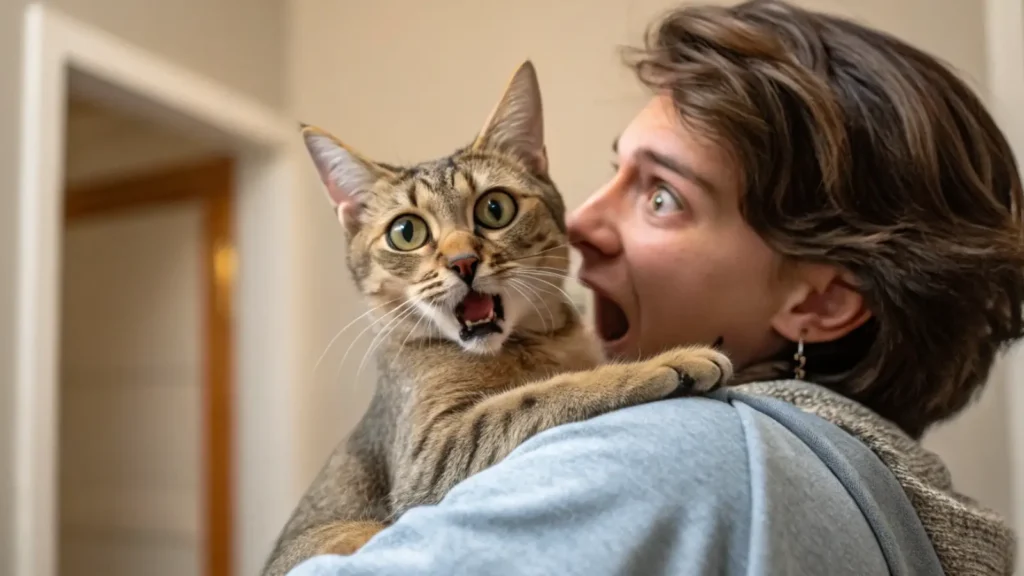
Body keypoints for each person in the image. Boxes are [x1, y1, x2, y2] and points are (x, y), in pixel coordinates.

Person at [284, 1, 1022, 574]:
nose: (579, 224)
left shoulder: (680, 462)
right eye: (613, 172)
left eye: (662, 196)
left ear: (819, 301)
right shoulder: (876, 498)